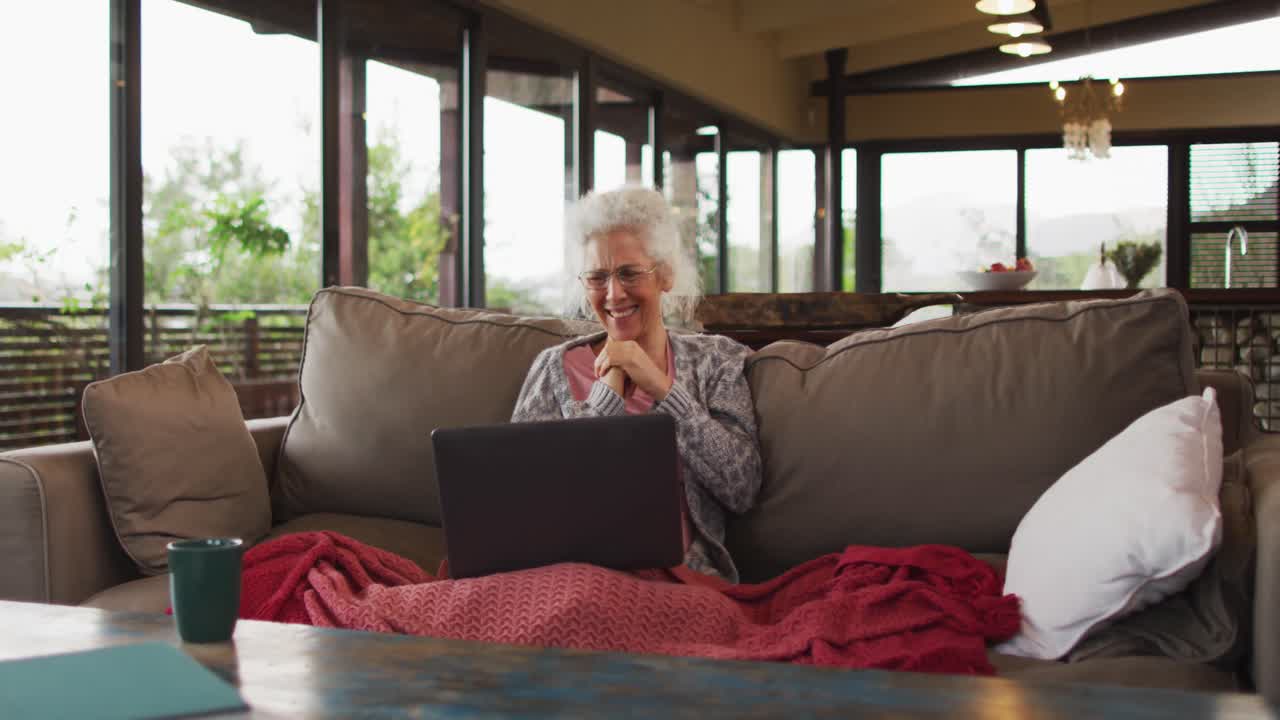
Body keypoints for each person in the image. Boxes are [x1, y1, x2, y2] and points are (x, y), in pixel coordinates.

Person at [511, 185, 762, 583]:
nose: (613, 294)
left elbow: (741, 487)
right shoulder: (553, 369)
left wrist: (663, 389)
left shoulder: (717, 360)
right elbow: (522, 503)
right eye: (597, 277)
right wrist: (606, 397)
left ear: (665, 274)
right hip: (566, 576)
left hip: (678, 580)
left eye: (629, 273)